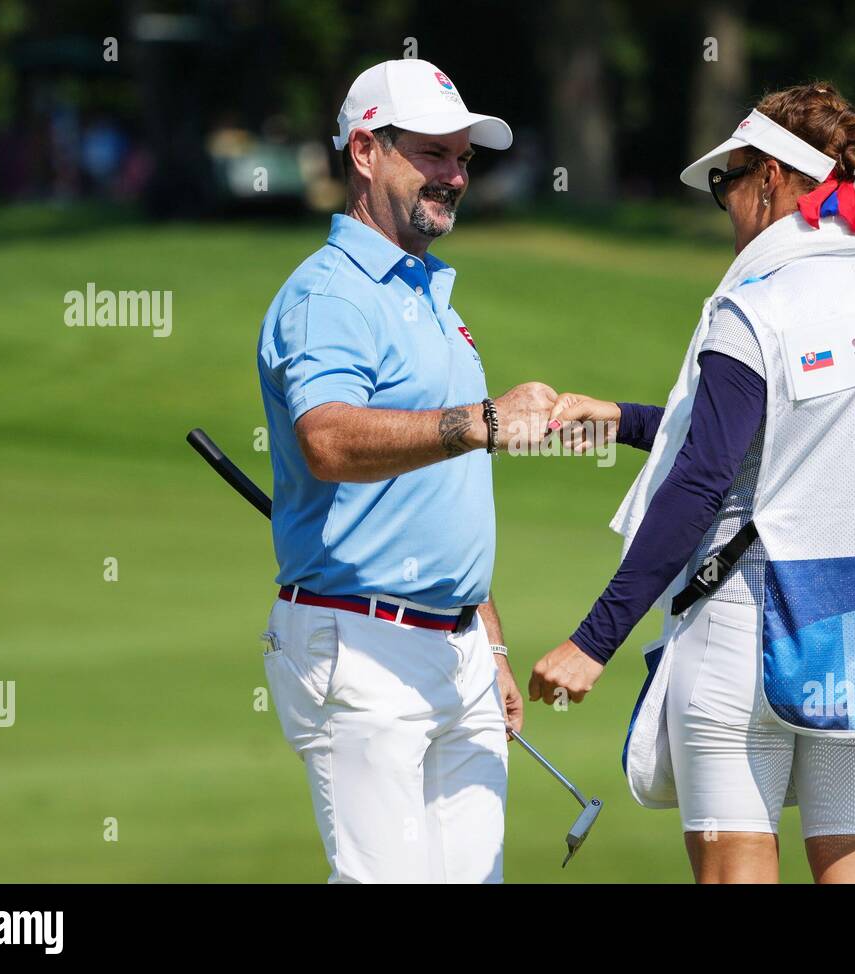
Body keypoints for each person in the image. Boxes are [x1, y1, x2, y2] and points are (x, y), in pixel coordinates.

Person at [529, 82, 855, 884]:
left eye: (728, 180)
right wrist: (622, 418)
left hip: (744, 625)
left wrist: (592, 643)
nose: (723, 202)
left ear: (771, 179)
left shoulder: (755, 308)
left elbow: (701, 482)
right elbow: (805, 452)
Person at [256, 59, 556, 883]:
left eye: (463, 158)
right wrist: (483, 421)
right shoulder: (332, 296)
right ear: (364, 152)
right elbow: (328, 438)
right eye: (431, 153)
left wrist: (488, 641)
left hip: (454, 646)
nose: (455, 176)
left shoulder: (427, 293)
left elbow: (443, 491)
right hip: (358, 642)